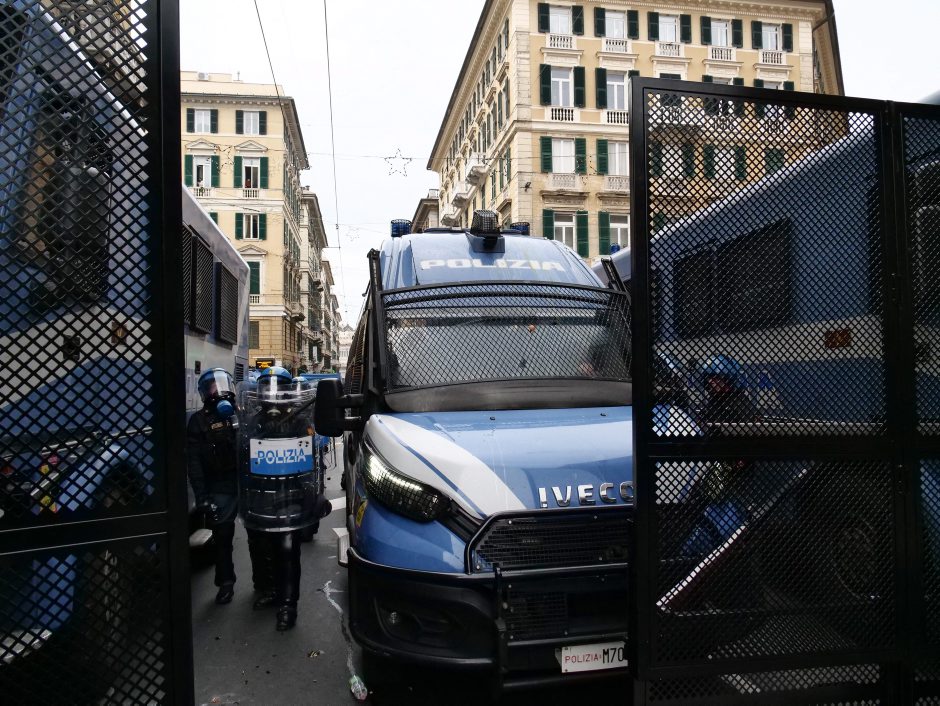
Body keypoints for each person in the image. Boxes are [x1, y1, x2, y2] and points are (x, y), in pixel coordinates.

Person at [242, 366, 320, 630]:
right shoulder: (253, 422)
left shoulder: (299, 422)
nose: (272, 395)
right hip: (260, 497)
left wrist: (312, 497)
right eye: (267, 388)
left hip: (289, 497)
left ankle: (288, 605)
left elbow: (311, 461)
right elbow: (243, 455)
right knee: (263, 549)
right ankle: (272, 591)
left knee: (287, 550)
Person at [186, 368, 240, 605]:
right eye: (213, 387)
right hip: (220, 485)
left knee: (258, 534)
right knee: (223, 536)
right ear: (205, 393)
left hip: (243, 481)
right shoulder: (198, 422)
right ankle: (226, 583)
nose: (219, 391)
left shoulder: (240, 414)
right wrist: (202, 497)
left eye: (222, 385)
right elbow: (194, 463)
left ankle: (264, 584)